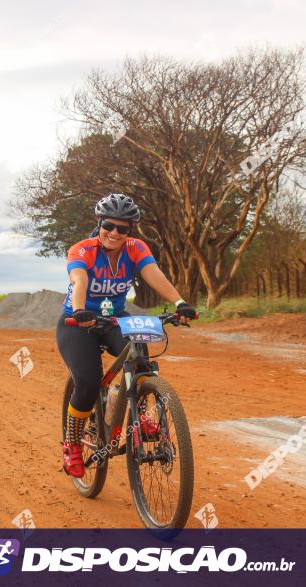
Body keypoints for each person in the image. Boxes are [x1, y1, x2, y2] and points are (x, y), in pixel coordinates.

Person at [57, 193, 197, 478]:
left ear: (130, 230)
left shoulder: (135, 249)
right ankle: (72, 444)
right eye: (109, 225)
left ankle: (140, 412)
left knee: (141, 355)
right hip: (77, 320)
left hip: (116, 318)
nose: (115, 233)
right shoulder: (82, 250)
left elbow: (154, 273)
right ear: (99, 224)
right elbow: (79, 279)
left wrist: (180, 302)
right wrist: (82, 309)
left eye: (123, 228)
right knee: (87, 381)